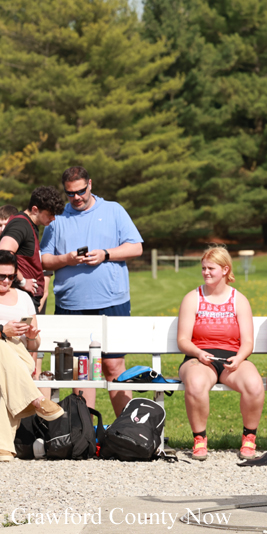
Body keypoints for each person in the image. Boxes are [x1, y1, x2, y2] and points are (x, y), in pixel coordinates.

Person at [41, 166, 143, 416]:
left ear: (90, 184)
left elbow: (136, 247)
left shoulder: (114, 210)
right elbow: (44, 260)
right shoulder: (57, 219)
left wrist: (105, 254)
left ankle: (127, 429)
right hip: (70, 304)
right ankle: (83, 432)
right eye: (70, 194)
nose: (76, 197)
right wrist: (66, 259)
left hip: (112, 301)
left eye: (81, 191)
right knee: (79, 368)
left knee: (113, 365)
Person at [177, 246, 262, 461]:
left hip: (231, 358)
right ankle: (200, 439)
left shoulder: (238, 300)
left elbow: (248, 342)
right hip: (199, 358)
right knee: (195, 384)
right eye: (203, 268)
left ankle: (249, 437)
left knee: (254, 384)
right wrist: (199, 352)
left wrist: (239, 358)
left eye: (211, 268)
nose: (206, 272)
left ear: (225, 270)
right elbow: (183, 340)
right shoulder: (192, 298)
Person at [0, 251, 63, 460]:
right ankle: (36, 399)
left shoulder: (24, 298)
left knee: (6, 381)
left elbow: (34, 345)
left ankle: (4, 448)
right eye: (1, 276)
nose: (7, 281)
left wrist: (31, 336)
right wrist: (2, 331)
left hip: (18, 357)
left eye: (10, 276)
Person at [0, 187, 64, 311]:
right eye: (50, 214)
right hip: (19, 300)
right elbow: (4, 252)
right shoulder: (21, 224)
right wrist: (22, 281)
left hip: (28, 300)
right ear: (35, 209)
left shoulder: (30, 225)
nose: (53, 218)